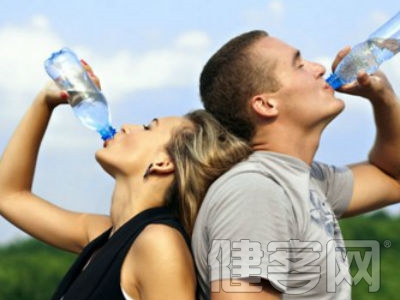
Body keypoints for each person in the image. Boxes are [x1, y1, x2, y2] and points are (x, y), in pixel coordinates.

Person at [0, 62, 251, 300]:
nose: (128, 126)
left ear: (164, 163)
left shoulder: (159, 244)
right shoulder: (103, 236)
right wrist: (45, 101)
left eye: (147, 127)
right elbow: (7, 196)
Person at [192, 30, 400, 299]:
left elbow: (393, 179)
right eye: (299, 65)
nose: (320, 68)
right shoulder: (255, 191)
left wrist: (383, 98)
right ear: (266, 104)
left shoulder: (305, 179)